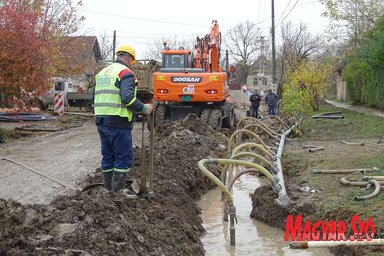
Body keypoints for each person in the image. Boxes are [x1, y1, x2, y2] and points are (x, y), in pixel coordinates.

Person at [94, 44, 153, 192]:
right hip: (118, 121)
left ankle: (108, 192)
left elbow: (93, 98)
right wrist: (144, 108)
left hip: (101, 120)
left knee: (108, 156)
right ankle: (117, 194)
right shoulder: (125, 73)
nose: (131, 64)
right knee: (123, 158)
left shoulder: (102, 73)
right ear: (129, 58)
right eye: (132, 61)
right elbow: (127, 97)